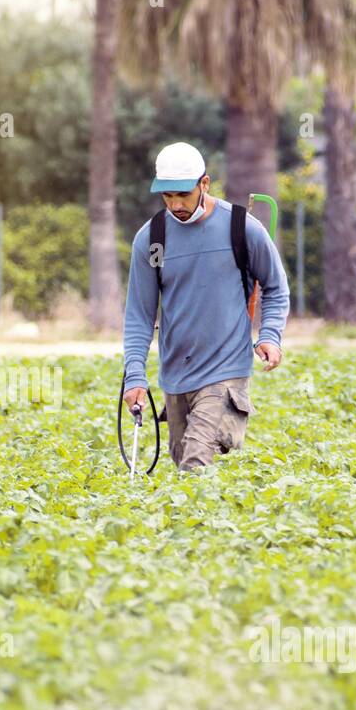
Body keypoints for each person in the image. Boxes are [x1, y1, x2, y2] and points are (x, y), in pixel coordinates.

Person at [122, 142, 291, 471]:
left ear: (204, 184)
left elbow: (276, 286)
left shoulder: (240, 228)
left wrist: (270, 335)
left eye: (182, 194)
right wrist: (134, 377)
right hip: (176, 376)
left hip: (226, 370)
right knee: (185, 466)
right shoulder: (152, 239)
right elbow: (139, 316)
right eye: (167, 196)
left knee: (196, 463)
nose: (175, 205)